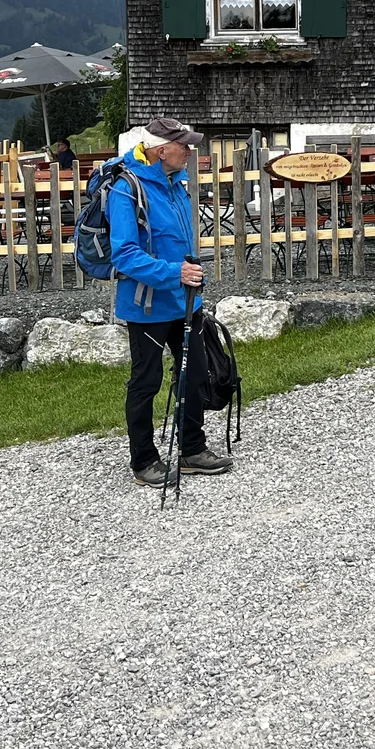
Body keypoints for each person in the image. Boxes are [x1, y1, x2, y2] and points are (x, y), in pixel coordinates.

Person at [109, 116, 234, 486]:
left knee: (195, 374)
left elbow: (180, 244)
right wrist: (174, 273)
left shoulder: (175, 184)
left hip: (184, 302)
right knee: (145, 382)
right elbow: (125, 255)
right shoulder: (126, 190)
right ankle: (144, 461)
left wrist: (191, 274)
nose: (190, 152)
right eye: (184, 146)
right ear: (162, 150)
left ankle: (192, 450)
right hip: (146, 306)